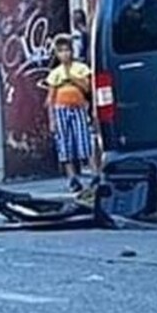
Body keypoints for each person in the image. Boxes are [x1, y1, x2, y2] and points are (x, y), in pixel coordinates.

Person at [44, 33, 100, 193]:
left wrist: (72, 78)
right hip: (61, 109)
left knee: (83, 141)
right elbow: (51, 97)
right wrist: (52, 120)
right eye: (61, 51)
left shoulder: (81, 68)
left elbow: (88, 88)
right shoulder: (55, 73)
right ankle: (72, 177)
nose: (65, 54)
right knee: (65, 144)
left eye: (67, 50)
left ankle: (95, 173)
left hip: (78, 108)